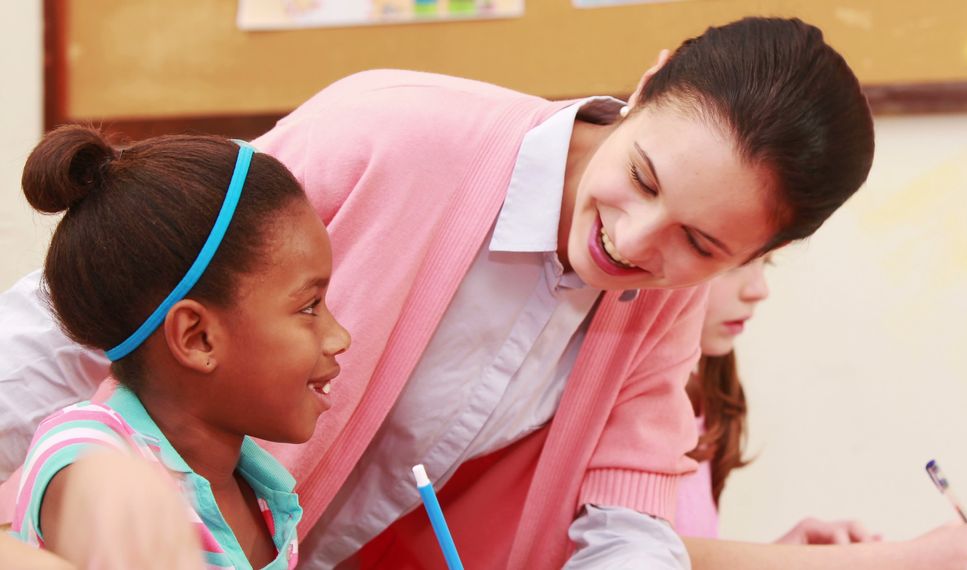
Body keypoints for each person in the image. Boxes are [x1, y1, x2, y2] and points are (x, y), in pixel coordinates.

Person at [1, 18, 875, 568]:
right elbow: (106, 286)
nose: (636, 242)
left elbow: (627, 516)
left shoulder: (666, 304)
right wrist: (81, 477)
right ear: (646, 88)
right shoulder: (391, 131)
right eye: (644, 177)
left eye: (701, 243)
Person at [7, 126, 351, 568]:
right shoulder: (97, 451)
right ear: (196, 337)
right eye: (309, 306)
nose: (340, 337)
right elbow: (82, 464)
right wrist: (103, 489)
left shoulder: (263, 496)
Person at [675, 260, 967, 569]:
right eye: (739, 262)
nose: (759, 289)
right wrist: (899, 560)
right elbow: (642, 554)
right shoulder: (635, 393)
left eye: (767, 262)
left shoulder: (711, 384)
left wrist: (787, 557)